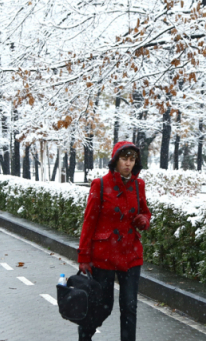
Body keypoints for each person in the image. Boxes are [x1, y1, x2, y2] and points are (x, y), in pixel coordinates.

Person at [77, 141, 152, 341]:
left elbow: (145, 212)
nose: (128, 163)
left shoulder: (139, 185)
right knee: (104, 306)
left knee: (130, 307)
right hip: (105, 255)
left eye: (132, 159)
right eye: (124, 158)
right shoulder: (100, 184)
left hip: (131, 254)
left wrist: (144, 220)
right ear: (115, 160)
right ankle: (85, 334)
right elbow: (89, 221)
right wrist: (84, 255)